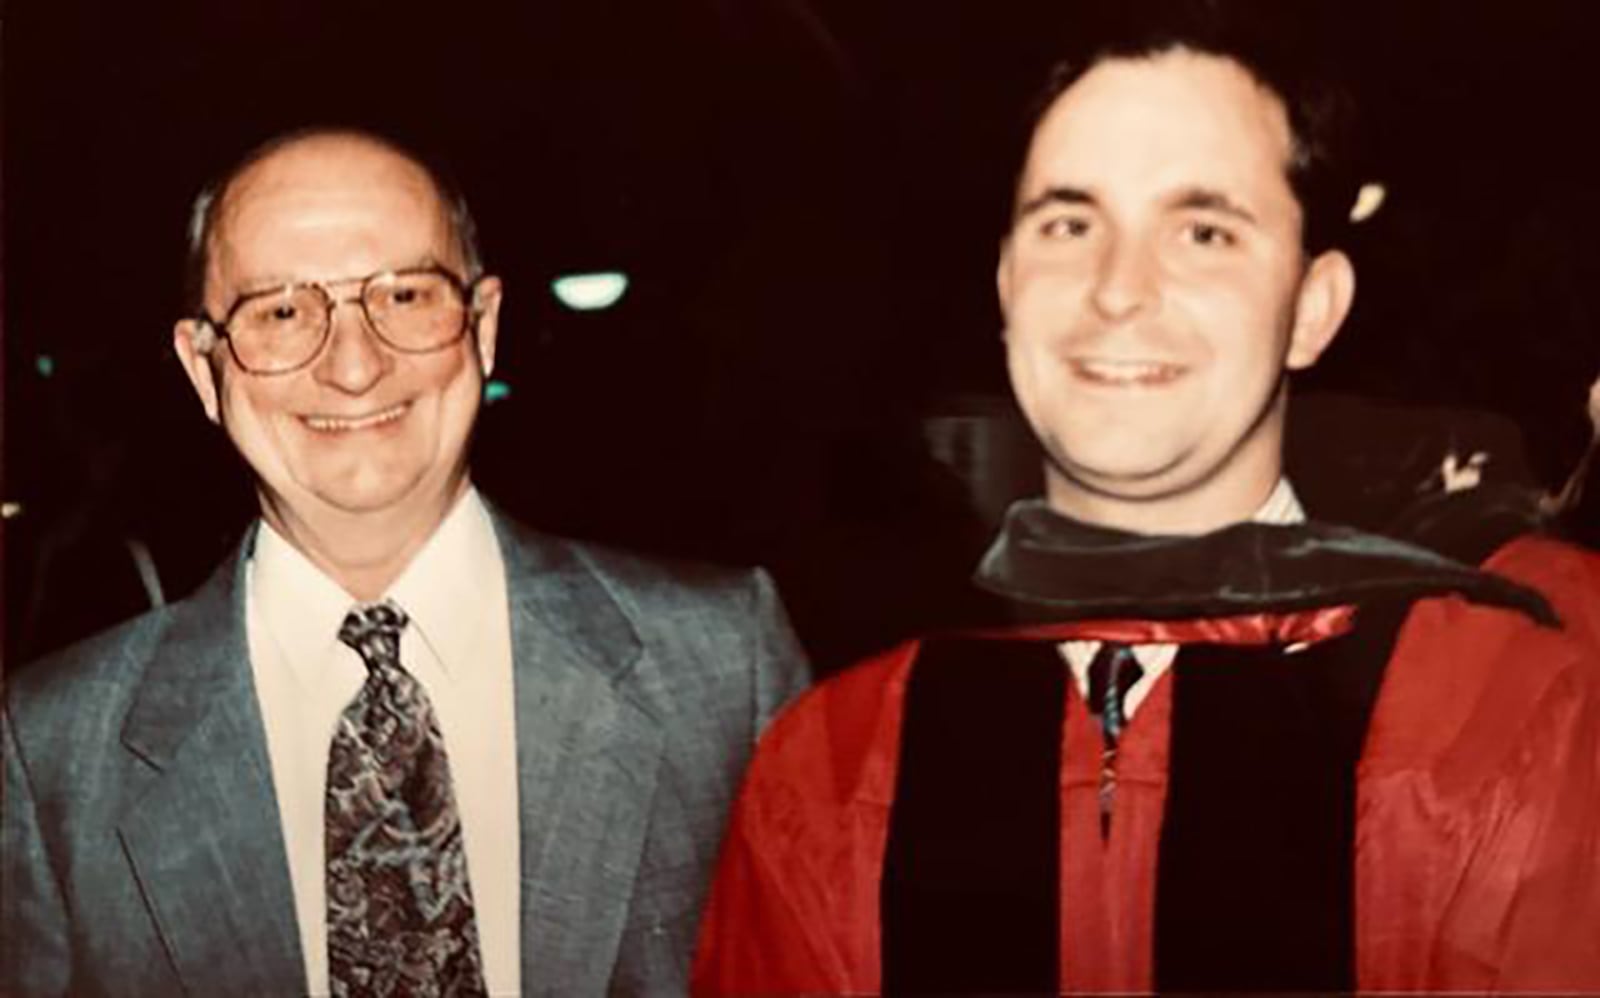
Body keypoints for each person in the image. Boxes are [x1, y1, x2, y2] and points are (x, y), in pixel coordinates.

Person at [693, 6, 1600, 993]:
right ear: (1006, 283)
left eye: (1203, 230)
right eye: (1070, 222)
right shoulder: (835, 762)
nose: (1118, 288)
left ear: (1311, 307)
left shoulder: (1505, 703)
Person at [2, 127, 809, 997]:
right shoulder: (53, 751)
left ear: (484, 327)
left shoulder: (726, 668)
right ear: (205, 369)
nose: (355, 366)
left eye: (407, 296)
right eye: (280, 310)